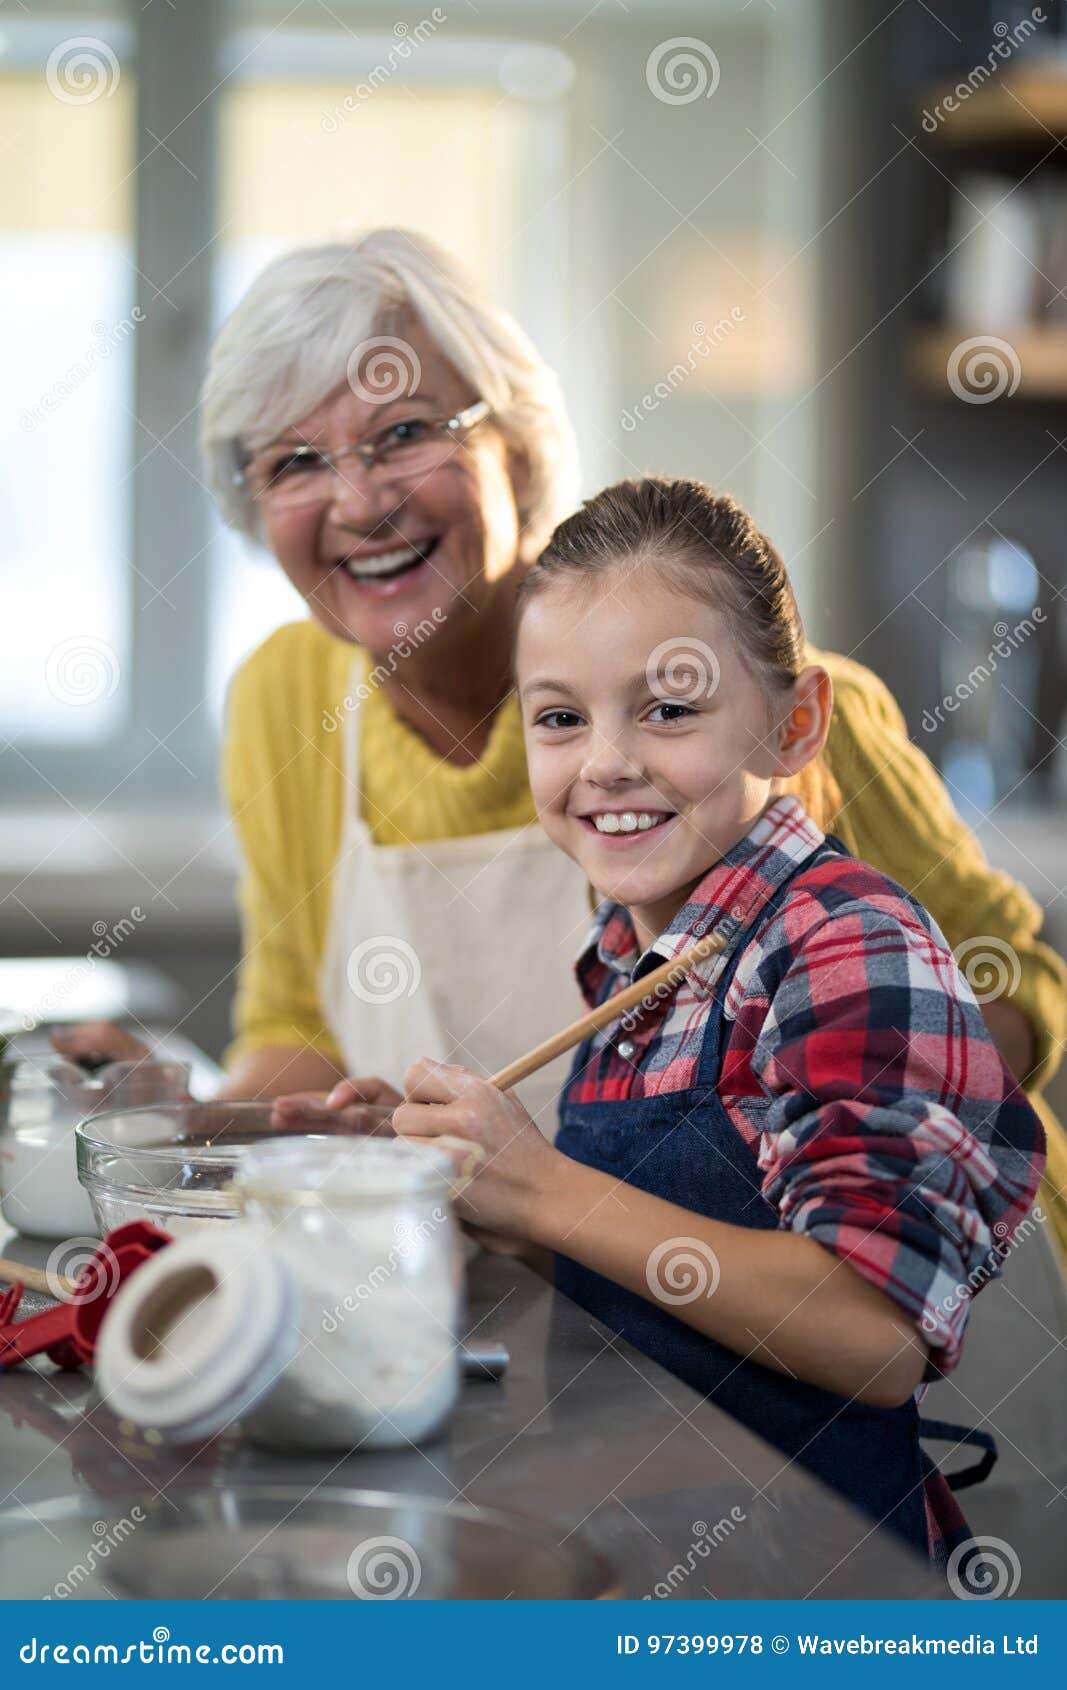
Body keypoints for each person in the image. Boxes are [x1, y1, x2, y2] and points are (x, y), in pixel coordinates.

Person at [51, 230, 1067, 1253]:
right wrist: (189, 1119)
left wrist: (728, 1114)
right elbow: (301, 1022)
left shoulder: (761, 730)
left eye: (404, 433)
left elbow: (1007, 991)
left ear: (520, 449)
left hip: (881, 1289)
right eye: (297, 461)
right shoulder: (284, 697)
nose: (358, 502)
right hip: (581, 1295)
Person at [388, 476, 1047, 1562]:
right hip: (648, 1545)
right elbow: (679, 1277)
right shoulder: (632, 956)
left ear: (794, 723)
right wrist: (509, 1208)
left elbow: (867, 1328)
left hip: (812, 1578)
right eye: (559, 717)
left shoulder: (844, 943)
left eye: (668, 706)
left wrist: (550, 1188)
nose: (604, 760)